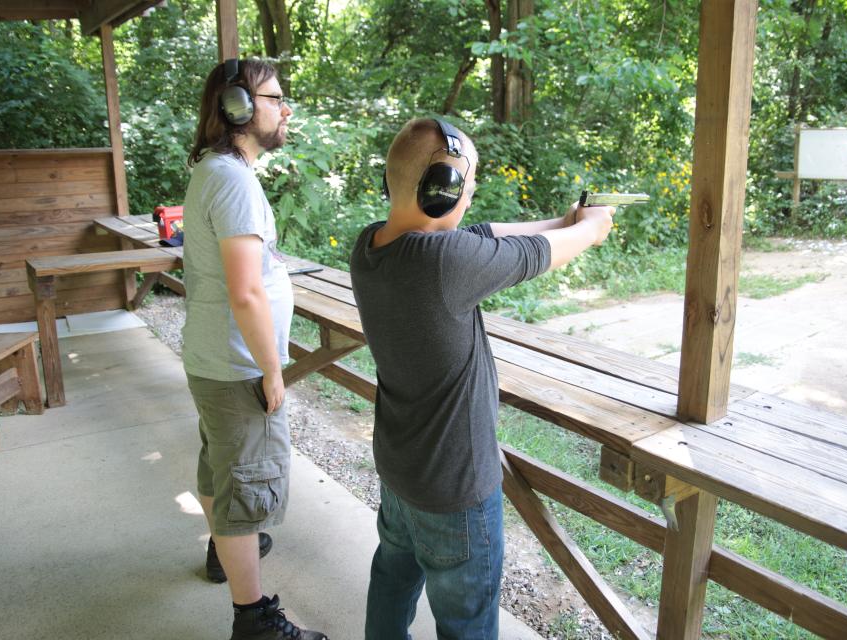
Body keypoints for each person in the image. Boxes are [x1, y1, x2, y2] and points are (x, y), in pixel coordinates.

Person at [350, 117, 615, 639]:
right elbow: (534, 255)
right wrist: (593, 226)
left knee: (391, 579)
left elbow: (483, 235)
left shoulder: (369, 248)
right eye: (466, 188)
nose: (469, 199)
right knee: (465, 623)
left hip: (401, 470)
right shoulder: (444, 263)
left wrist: (559, 221)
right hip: (455, 489)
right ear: (440, 192)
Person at [182, 58, 327, 640]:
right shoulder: (234, 179)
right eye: (275, 97)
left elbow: (242, 274)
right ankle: (255, 621)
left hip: (214, 359)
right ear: (239, 108)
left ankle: (226, 552)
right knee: (246, 488)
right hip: (238, 364)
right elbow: (244, 292)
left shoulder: (218, 171)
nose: (285, 108)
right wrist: (272, 369)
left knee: (221, 470)